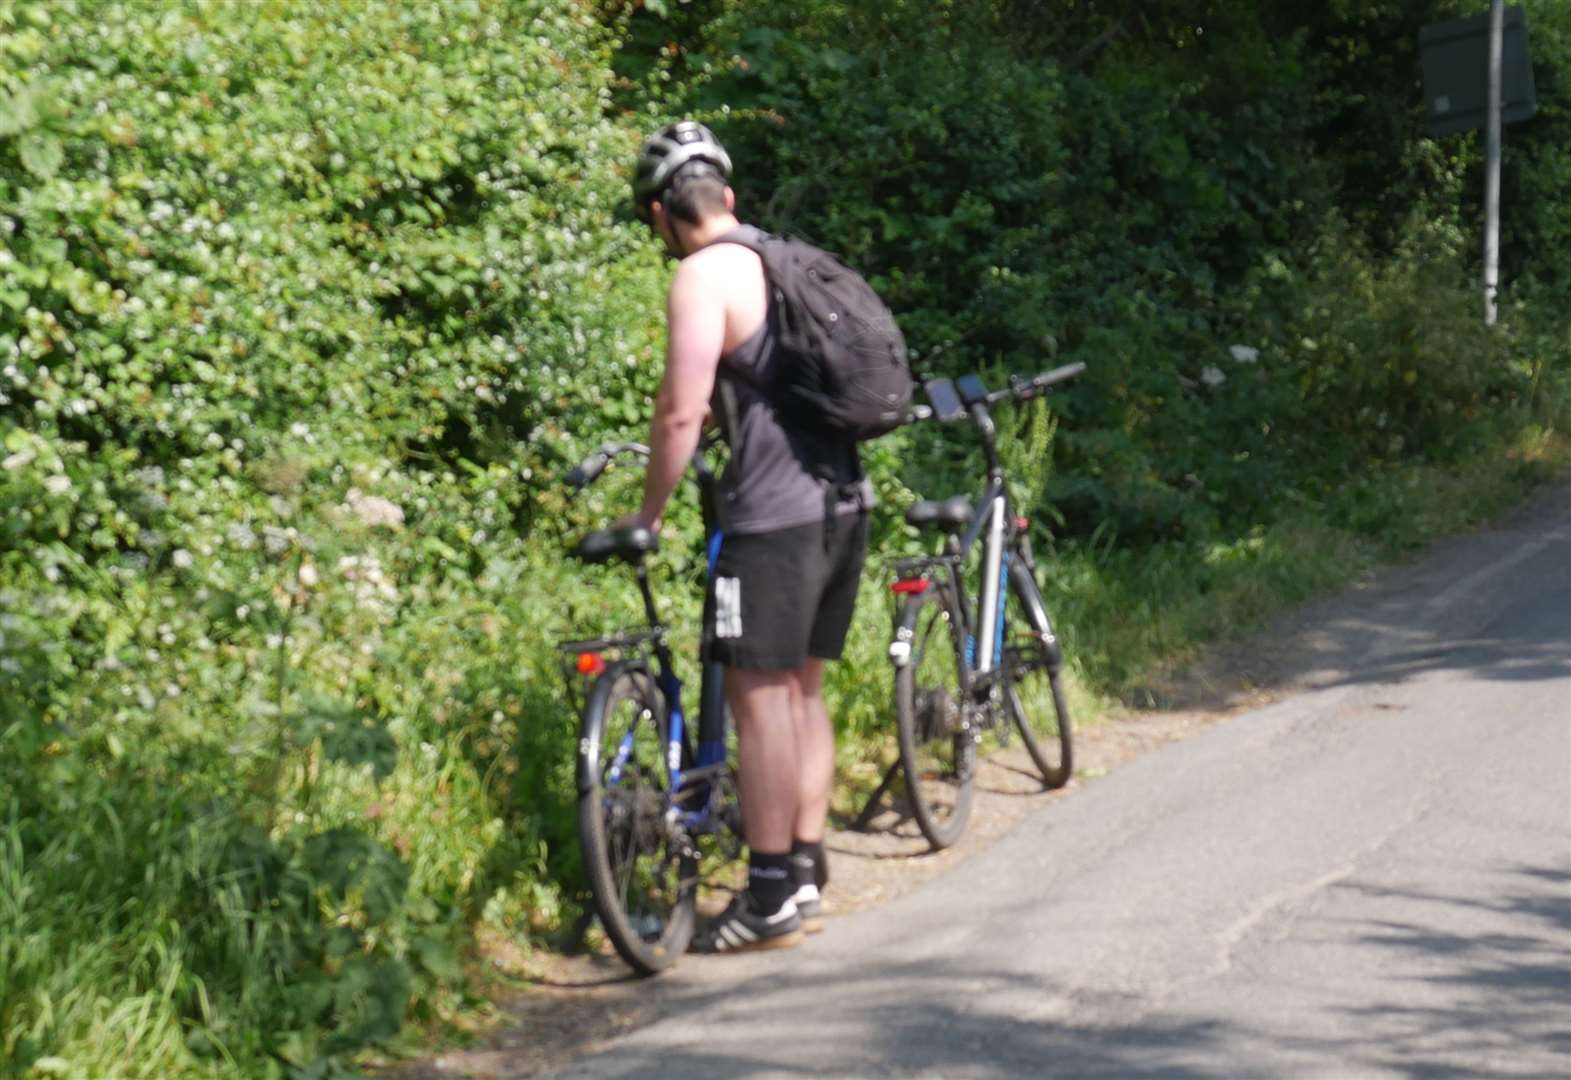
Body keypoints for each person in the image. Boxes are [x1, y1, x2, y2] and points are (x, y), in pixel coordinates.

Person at [624, 120, 871, 953]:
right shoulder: (783, 259)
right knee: (803, 690)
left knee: (759, 698)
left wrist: (647, 516)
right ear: (726, 198)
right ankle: (801, 871)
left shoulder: (702, 278)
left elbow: (681, 412)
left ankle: (767, 894)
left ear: (662, 217)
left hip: (772, 518)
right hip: (844, 502)